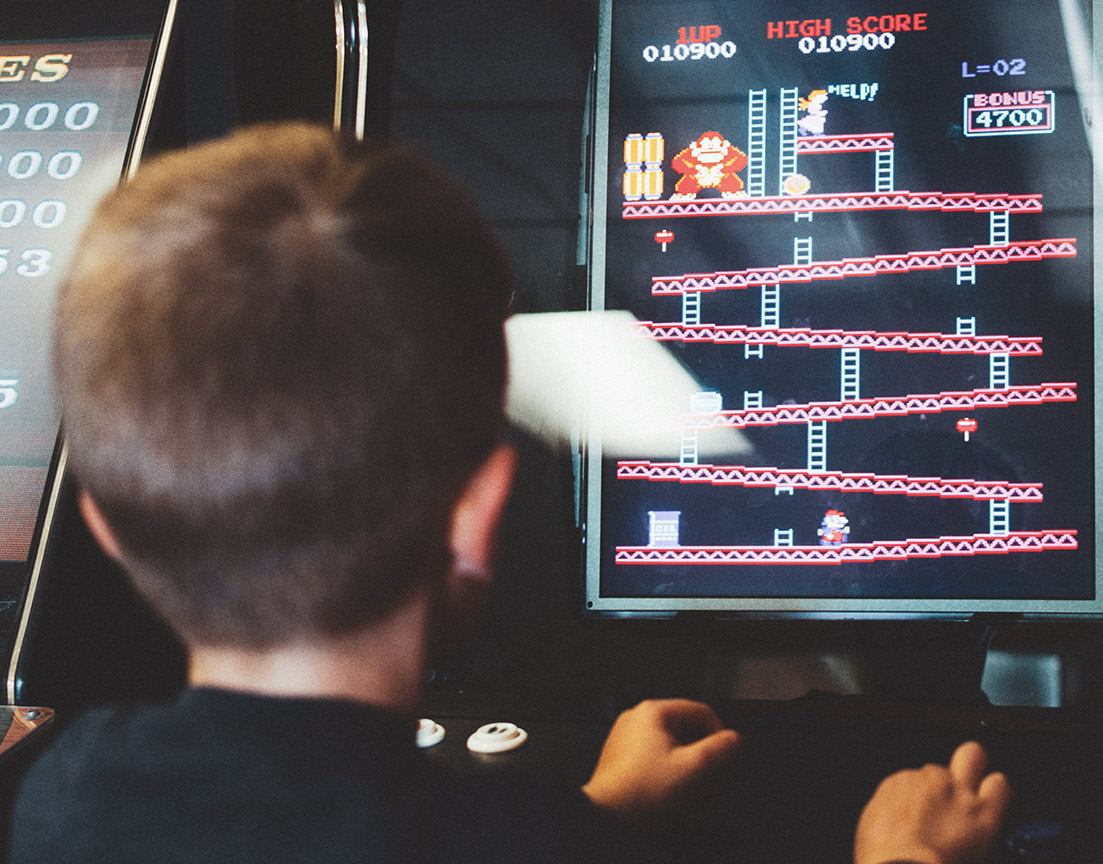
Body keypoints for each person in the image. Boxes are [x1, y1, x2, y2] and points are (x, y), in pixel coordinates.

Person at [7, 123, 1010, 864]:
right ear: (473, 520)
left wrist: (603, 814)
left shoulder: (63, 792)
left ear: (107, 530)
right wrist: (909, 858)